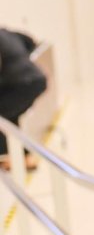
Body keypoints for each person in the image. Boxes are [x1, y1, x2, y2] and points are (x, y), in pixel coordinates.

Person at [0, 28, 48, 171]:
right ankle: (24, 158)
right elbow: (30, 42)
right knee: (10, 117)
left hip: (20, 84)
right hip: (36, 79)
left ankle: (9, 157)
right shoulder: (7, 33)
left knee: (2, 119)